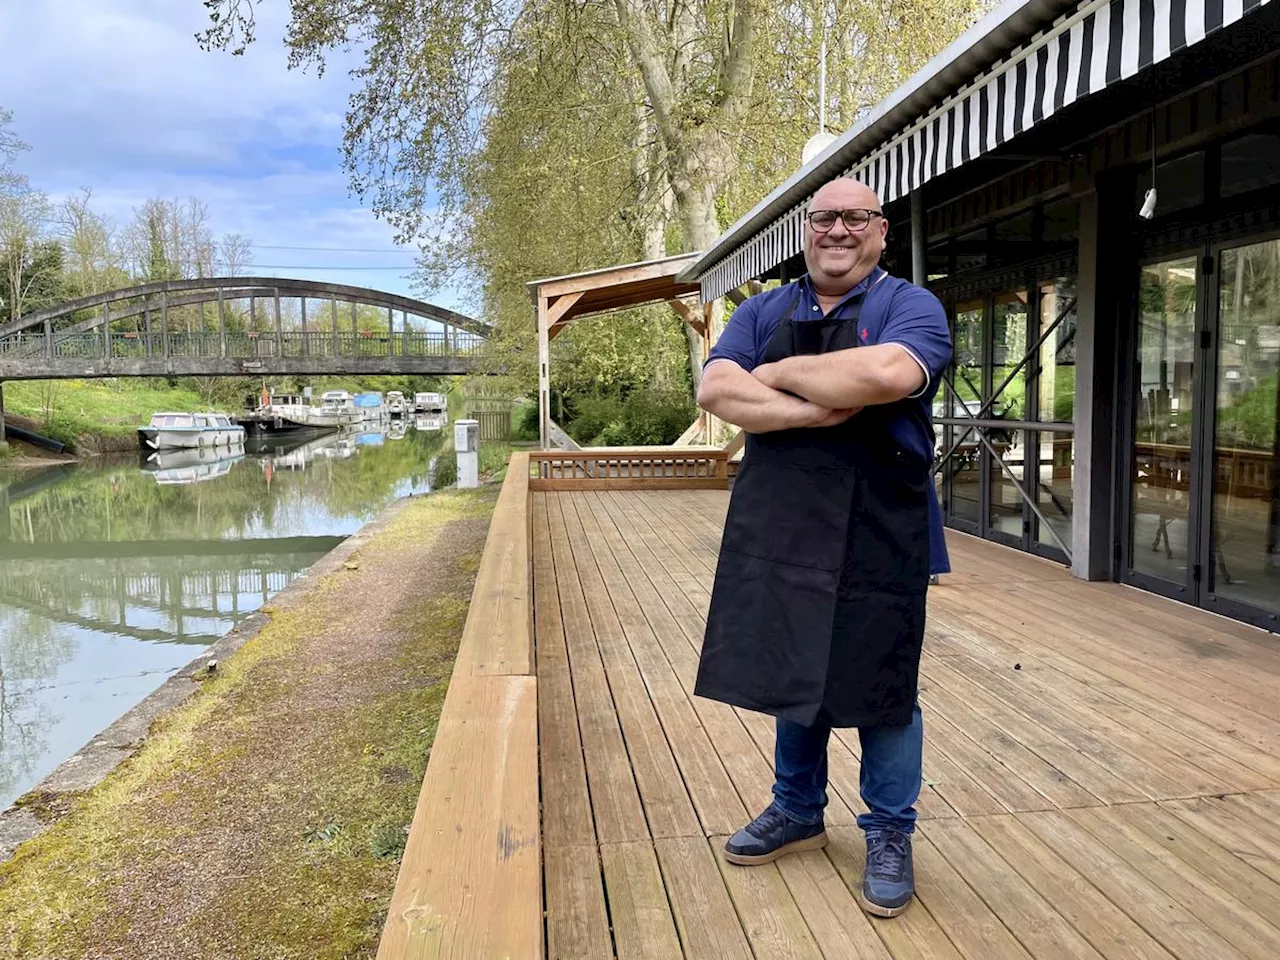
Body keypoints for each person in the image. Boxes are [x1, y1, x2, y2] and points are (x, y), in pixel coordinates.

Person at [695, 176, 952, 918]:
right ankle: (797, 809)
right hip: (784, 522)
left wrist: (772, 375)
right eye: (826, 218)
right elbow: (716, 390)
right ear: (809, 229)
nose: (838, 230)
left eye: (855, 218)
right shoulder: (765, 307)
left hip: (881, 523)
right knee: (793, 662)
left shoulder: (911, 306)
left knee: (884, 684)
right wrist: (821, 409)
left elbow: (888, 372)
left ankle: (889, 832)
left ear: (881, 232)